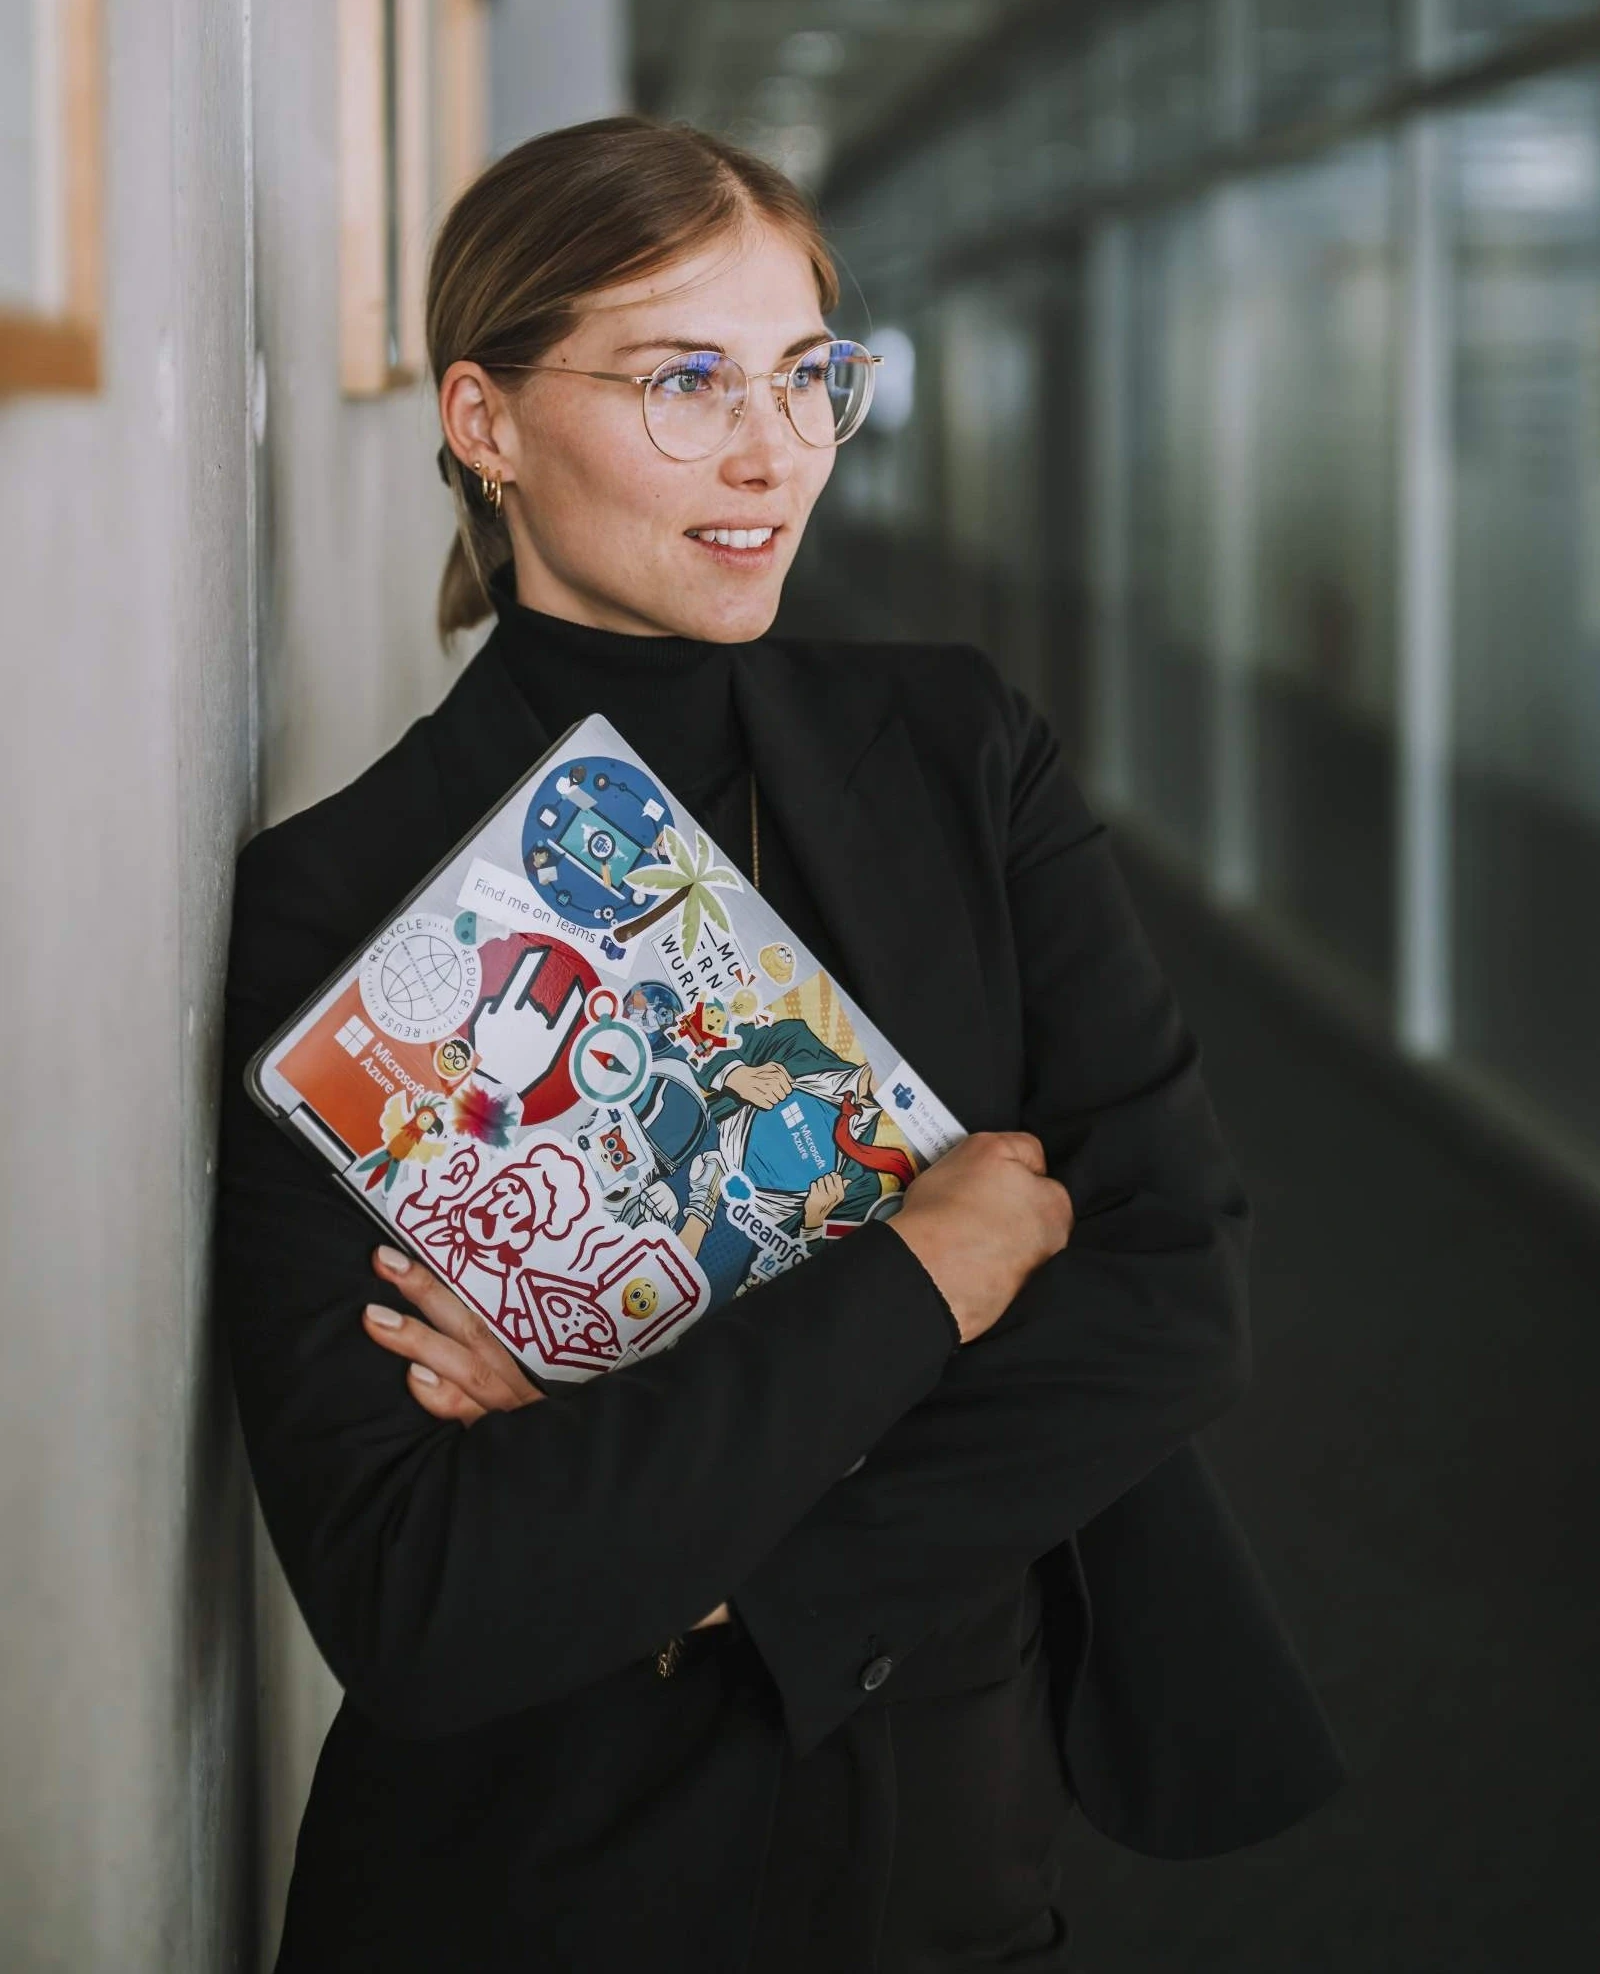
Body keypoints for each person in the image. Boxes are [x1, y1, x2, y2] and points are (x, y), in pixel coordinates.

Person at [217, 114, 1343, 1973]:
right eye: (684, 381)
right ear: (485, 423)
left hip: (953, 1843)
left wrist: (680, 1497)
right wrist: (929, 1270)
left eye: (807, 376)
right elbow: (421, 1598)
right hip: (549, 1873)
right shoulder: (356, 914)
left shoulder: (961, 755)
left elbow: (1173, 1300)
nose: (773, 457)